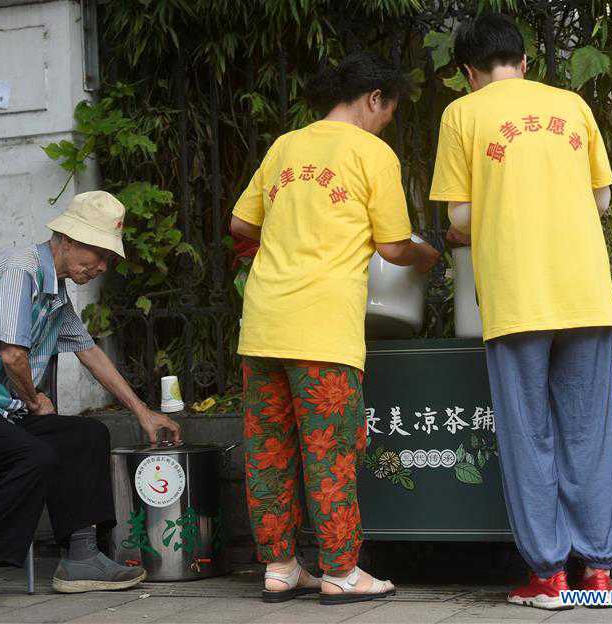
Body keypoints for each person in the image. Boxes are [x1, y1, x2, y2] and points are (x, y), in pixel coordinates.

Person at [231, 51, 440, 606]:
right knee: (330, 451)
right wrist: (426, 257)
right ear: (374, 99)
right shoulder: (372, 153)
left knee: (269, 450)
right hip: (323, 329)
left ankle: (279, 567)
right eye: (388, 111)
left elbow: (239, 223)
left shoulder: (285, 147)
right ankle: (342, 572)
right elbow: (394, 246)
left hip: (263, 323)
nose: (386, 122)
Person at [429, 13, 612, 610]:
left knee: (528, 435)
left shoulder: (462, 114)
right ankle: (597, 572)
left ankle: (548, 578)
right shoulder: (572, 106)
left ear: (468, 72)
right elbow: (603, 197)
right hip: (586, 292)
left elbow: (458, 217)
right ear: (525, 60)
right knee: (588, 433)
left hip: (517, 296)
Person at [0, 191, 182, 608]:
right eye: (98, 253)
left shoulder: (56, 293)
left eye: (108, 257)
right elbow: (12, 353)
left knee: (87, 434)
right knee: (33, 454)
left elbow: (90, 352)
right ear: (67, 240)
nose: (102, 266)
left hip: (2, 412)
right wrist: (36, 400)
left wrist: (143, 412)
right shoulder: (18, 270)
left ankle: (81, 557)